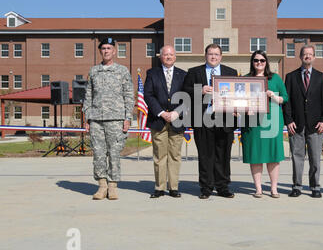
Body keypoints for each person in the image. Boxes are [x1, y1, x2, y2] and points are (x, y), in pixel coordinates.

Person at [182, 44, 238, 199]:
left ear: (221, 56)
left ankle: (223, 186)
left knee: (223, 154)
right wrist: (200, 90)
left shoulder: (230, 72)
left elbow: (237, 94)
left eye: (216, 54)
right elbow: (184, 90)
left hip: (224, 119)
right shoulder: (194, 72)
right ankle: (206, 187)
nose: (213, 57)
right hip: (203, 119)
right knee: (206, 155)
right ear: (205, 55)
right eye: (210, 54)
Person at [83, 38, 134, 200]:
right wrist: (87, 117)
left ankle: (112, 186)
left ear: (114, 51)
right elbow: (88, 96)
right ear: (100, 51)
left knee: (114, 153)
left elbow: (128, 96)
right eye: (103, 48)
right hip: (96, 119)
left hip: (116, 119)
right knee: (98, 153)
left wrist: (127, 118)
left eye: (109, 48)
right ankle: (102, 185)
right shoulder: (94, 71)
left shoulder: (122, 71)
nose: (106, 51)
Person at [283, 45, 323, 198]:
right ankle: (296, 186)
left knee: (315, 158)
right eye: (305, 54)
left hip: (316, 125)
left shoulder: (322, 77)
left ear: (314, 57)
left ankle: (315, 186)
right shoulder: (291, 77)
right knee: (297, 158)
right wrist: (288, 120)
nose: (307, 56)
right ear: (300, 57)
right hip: (296, 125)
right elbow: (287, 101)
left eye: (310, 54)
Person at [241, 50, 288, 198]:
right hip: (252, 122)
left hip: (272, 121)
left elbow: (285, 98)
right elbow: (238, 99)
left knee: (273, 155)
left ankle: (274, 188)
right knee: (256, 155)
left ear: (266, 62)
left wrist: (273, 95)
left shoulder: (275, 78)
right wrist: (242, 110)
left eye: (262, 60)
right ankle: (258, 188)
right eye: (256, 60)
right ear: (252, 62)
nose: (259, 63)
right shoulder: (246, 78)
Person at [144, 45, 186, 199]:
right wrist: (161, 113)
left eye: (171, 54)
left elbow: (187, 96)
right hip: (158, 120)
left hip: (177, 120)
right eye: (166, 54)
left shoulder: (183, 74)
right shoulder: (152, 73)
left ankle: (174, 187)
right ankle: (159, 187)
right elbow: (148, 95)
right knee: (159, 155)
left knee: (175, 155)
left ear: (175, 57)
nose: (168, 57)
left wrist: (176, 112)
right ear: (160, 56)